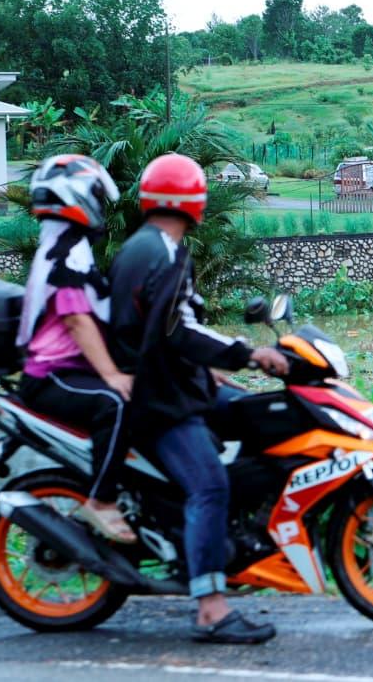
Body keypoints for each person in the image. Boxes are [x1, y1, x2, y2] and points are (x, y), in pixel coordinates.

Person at [108, 153, 288, 645]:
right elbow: (179, 333)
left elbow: (165, 333)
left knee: (252, 416)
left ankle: (243, 543)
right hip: (159, 401)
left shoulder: (146, 246)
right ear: (194, 200)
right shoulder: (162, 253)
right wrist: (250, 355)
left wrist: (217, 379)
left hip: (172, 386)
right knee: (209, 487)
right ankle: (210, 608)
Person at [17, 154, 137, 544]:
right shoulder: (66, 251)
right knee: (115, 402)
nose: (101, 207)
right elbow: (77, 321)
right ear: (77, 197)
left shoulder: (66, 245)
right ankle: (101, 501)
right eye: (97, 197)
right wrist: (112, 375)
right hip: (50, 375)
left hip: (67, 370)